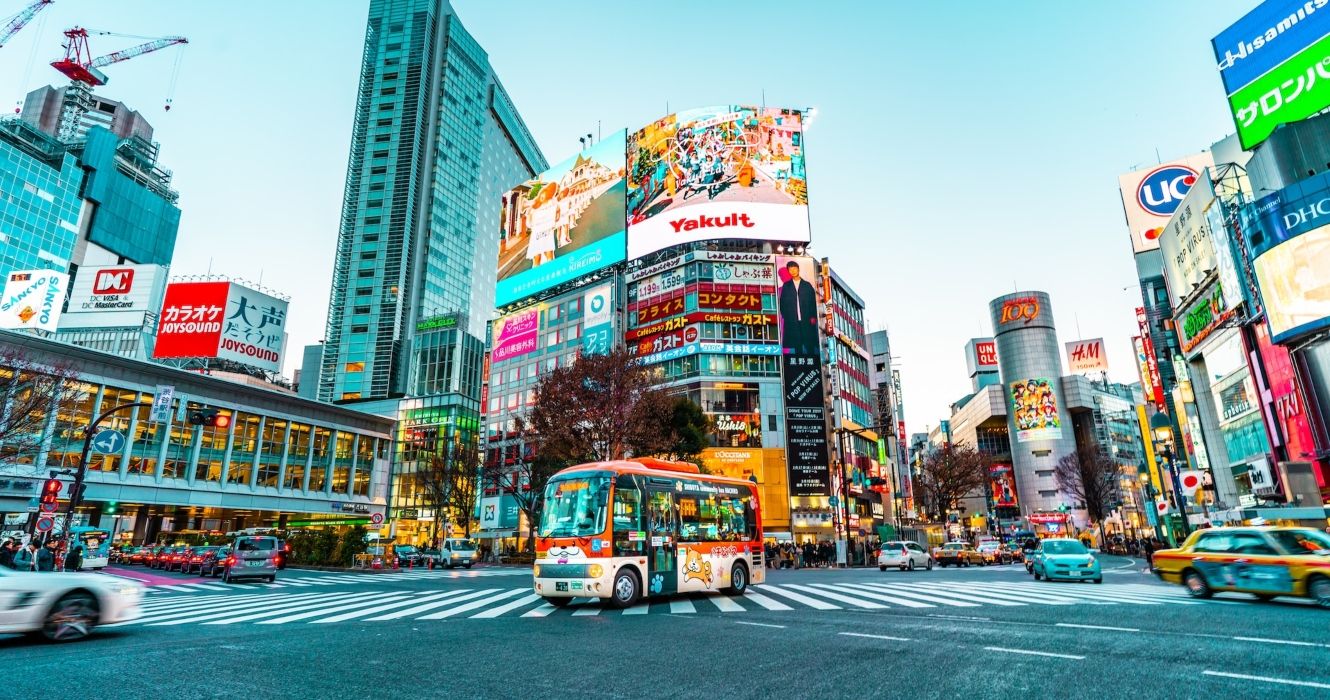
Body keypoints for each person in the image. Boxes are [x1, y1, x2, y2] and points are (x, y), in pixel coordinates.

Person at [777, 260, 818, 355]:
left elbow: (812, 301)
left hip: (806, 318)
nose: (793, 271)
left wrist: (813, 316)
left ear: (798, 269)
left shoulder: (807, 285)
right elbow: (782, 303)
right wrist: (786, 316)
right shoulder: (786, 286)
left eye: (794, 268)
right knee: (796, 344)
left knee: (809, 342)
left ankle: (811, 358)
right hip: (792, 320)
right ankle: (798, 360)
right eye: (790, 269)